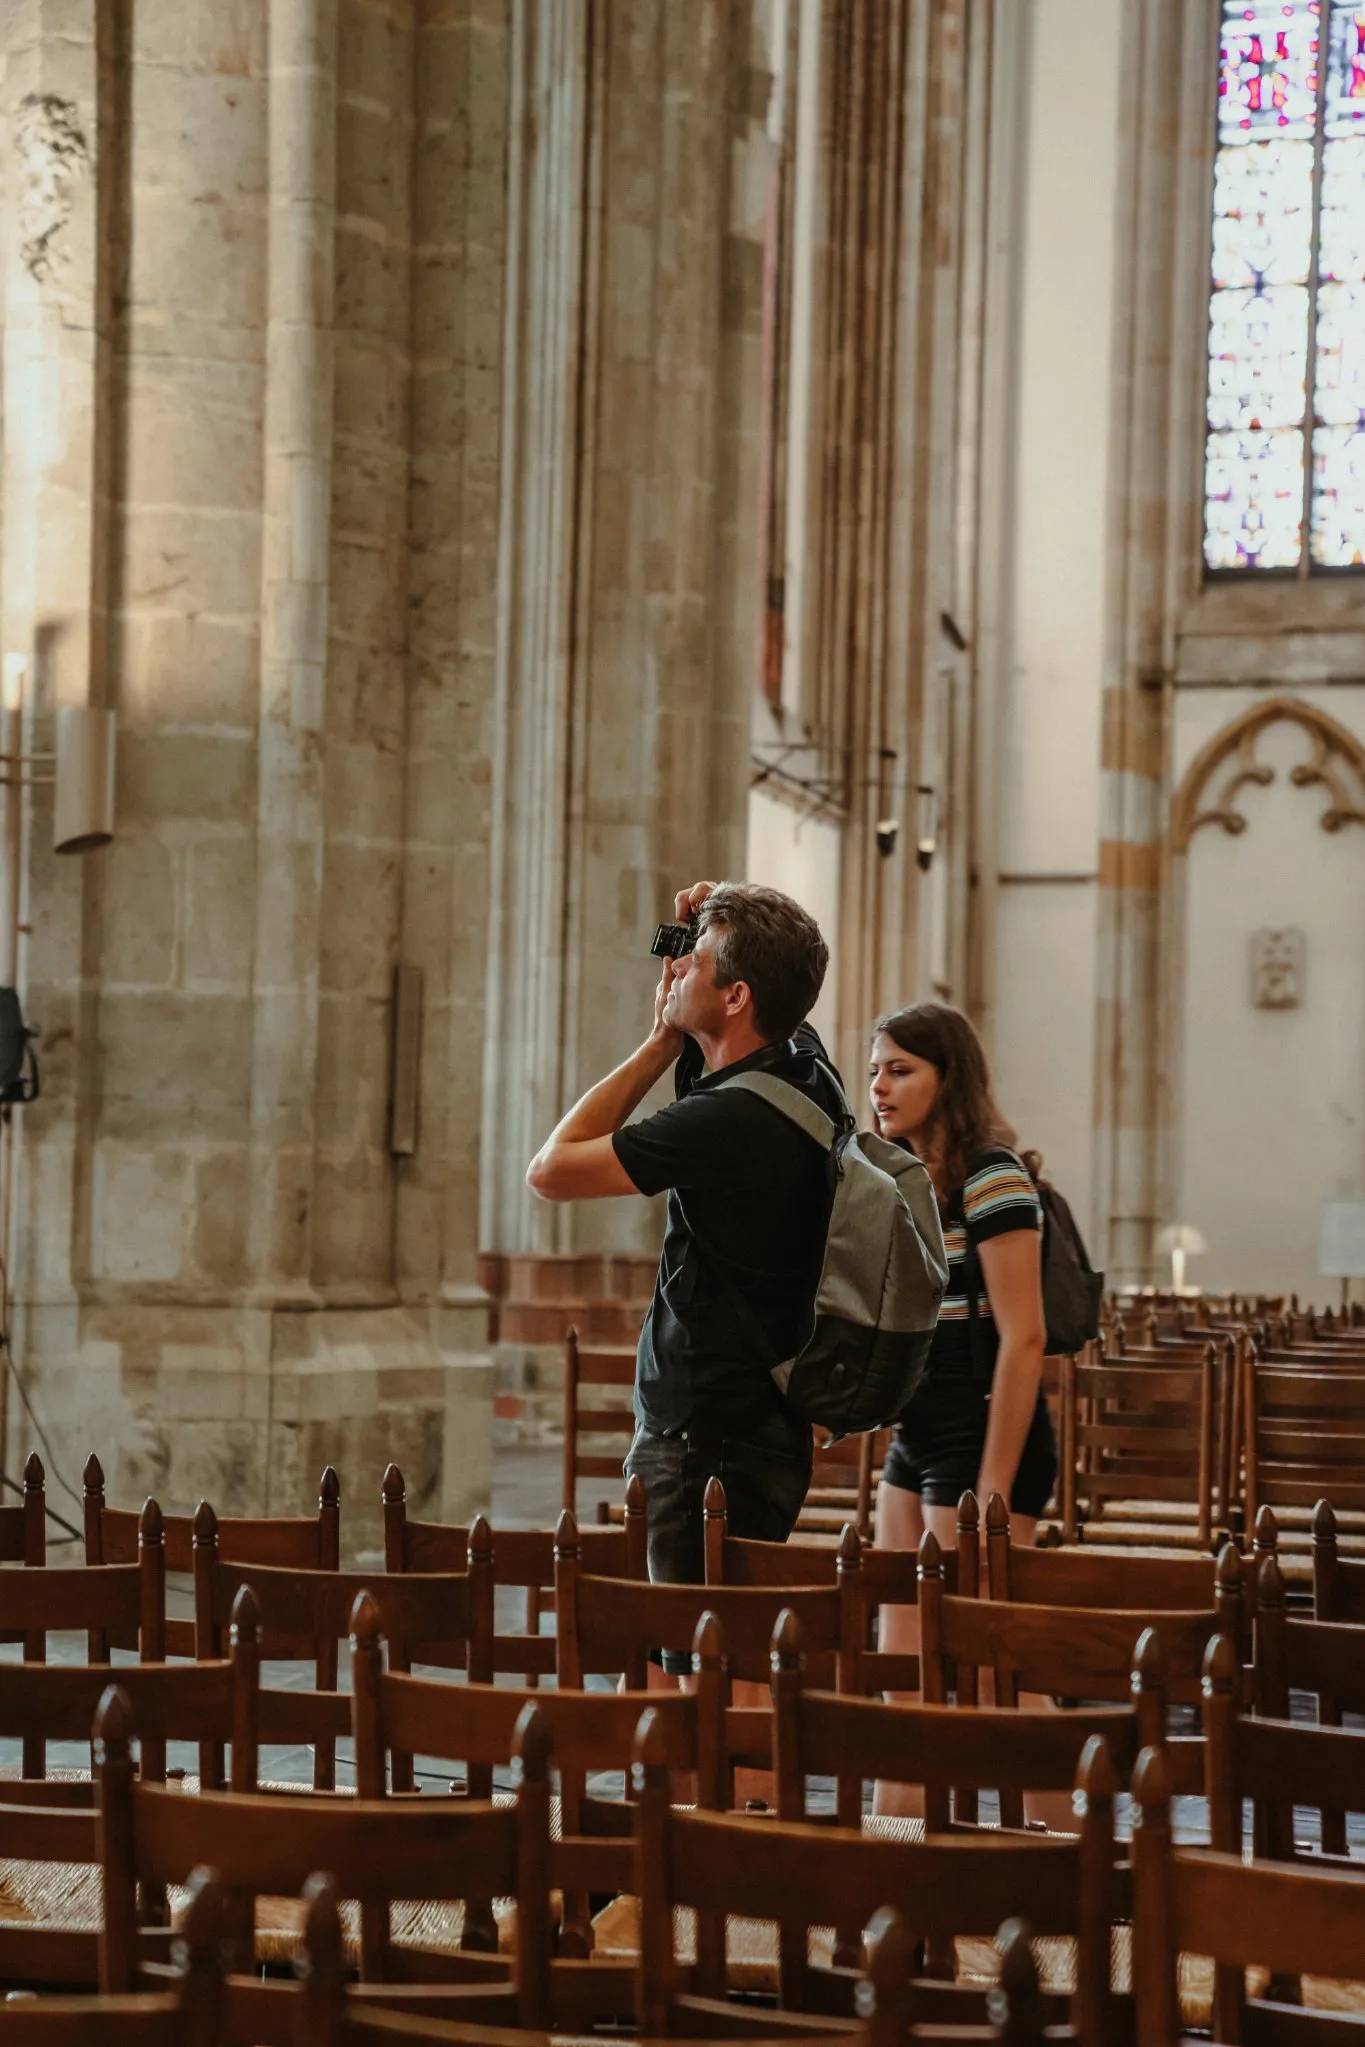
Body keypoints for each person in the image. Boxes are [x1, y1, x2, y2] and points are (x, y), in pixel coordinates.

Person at [525, 880, 841, 1656]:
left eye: (690, 962)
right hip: (765, 1430)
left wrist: (659, 1041)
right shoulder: (809, 1073)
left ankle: (709, 1786)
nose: (675, 975)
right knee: (728, 1668)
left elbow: (551, 1168)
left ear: (735, 996)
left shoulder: (725, 1120)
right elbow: (780, 961)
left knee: (690, 1682)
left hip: (702, 1439)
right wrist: (710, 921)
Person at [866, 1001, 1057, 1815]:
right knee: (902, 1674)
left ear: (950, 1079)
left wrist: (992, 1488)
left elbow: (1024, 1338)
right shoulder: (906, 1176)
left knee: (989, 1676)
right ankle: (894, 1865)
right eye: (873, 1067)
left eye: (900, 1068)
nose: (879, 1084)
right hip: (919, 1435)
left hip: (985, 1434)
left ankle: (1080, 1862)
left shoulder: (991, 1173)